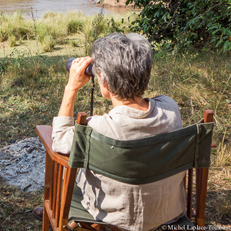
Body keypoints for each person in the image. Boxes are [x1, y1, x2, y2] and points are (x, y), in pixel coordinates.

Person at [51, 32, 186, 231]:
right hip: (169, 213)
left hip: (115, 218)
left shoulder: (99, 128)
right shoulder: (170, 109)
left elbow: (60, 139)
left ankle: (70, 217)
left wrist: (71, 87)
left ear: (104, 82)